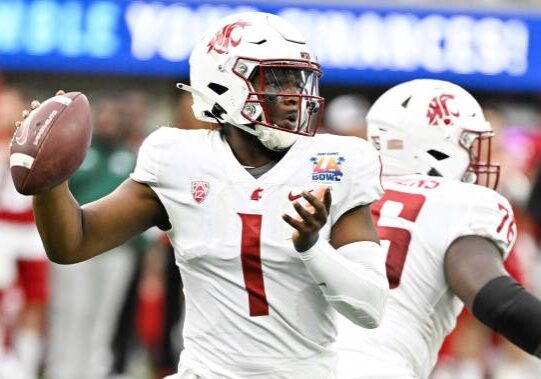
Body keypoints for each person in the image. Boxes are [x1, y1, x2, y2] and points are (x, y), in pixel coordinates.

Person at [21, 12, 389, 378]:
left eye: (300, 80)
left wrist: (312, 247)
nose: (296, 96)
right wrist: (50, 175)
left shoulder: (337, 163)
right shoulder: (177, 157)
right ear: (222, 85)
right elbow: (73, 243)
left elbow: (370, 307)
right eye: (277, 79)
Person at [336, 79, 541, 379]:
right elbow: (498, 301)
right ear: (433, 147)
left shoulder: (336, 191)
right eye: (467, 144)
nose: (476, 159)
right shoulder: (459, 202)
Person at [45, 94, 142, 379]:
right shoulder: (77, 154)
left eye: (114, 117)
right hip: (76, 242)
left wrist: (140, 244)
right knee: (70, 309)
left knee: (106, 312)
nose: (109, 122)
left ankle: (95, 370)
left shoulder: (132, 157)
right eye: (103, 116)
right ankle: (61, 370)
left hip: (117, 248)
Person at [0, 86, 49, 379]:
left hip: (31, 231)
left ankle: (27, 366)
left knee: (34, 300)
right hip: (3, 230)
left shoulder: (33, 141)